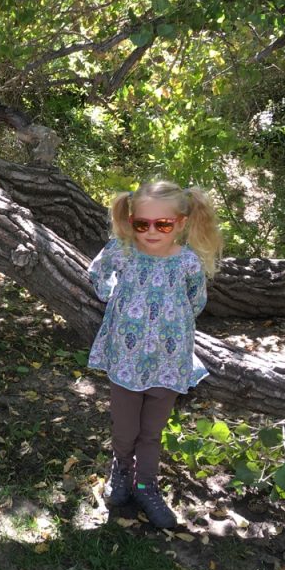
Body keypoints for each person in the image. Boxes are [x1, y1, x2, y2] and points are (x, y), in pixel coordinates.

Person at [87, 179, 223, 529]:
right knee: (125, 428)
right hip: (126, 360)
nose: (150, 231)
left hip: (168, 362)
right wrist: (113, 296)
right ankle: (121, 469)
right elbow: (98, 274)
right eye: (141, 223)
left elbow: (196, 301)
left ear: (180, 223)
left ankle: (146, 485)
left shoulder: (187, 262)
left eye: (162, 224)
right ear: (131, 220)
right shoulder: (122, 251)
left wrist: (169, 323)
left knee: (151, 431)